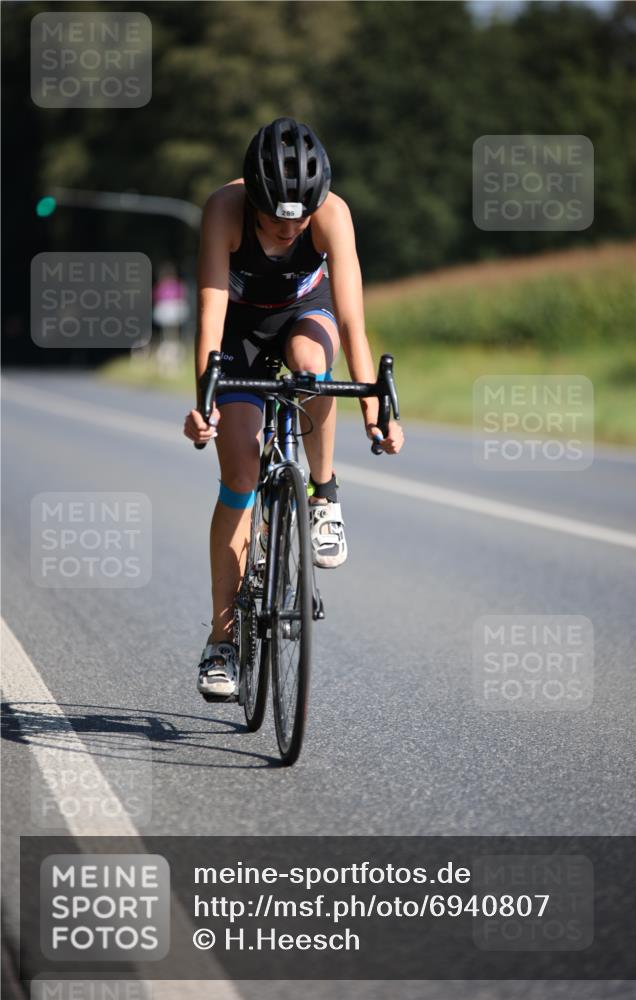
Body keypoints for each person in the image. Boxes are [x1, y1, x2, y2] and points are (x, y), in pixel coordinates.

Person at [183, 117, 404, 701]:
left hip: (307, 311)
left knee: (311, 364)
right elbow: (208, 320)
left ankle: (322, 494)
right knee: (239, 474)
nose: (287, 230)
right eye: (275, 219)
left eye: (298, 219)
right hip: (238, 328)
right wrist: (204, 399)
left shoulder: (332, 213)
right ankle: (223, 641)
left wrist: (376, 412)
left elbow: (354, 322)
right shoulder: (223, 210)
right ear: (251, 200)